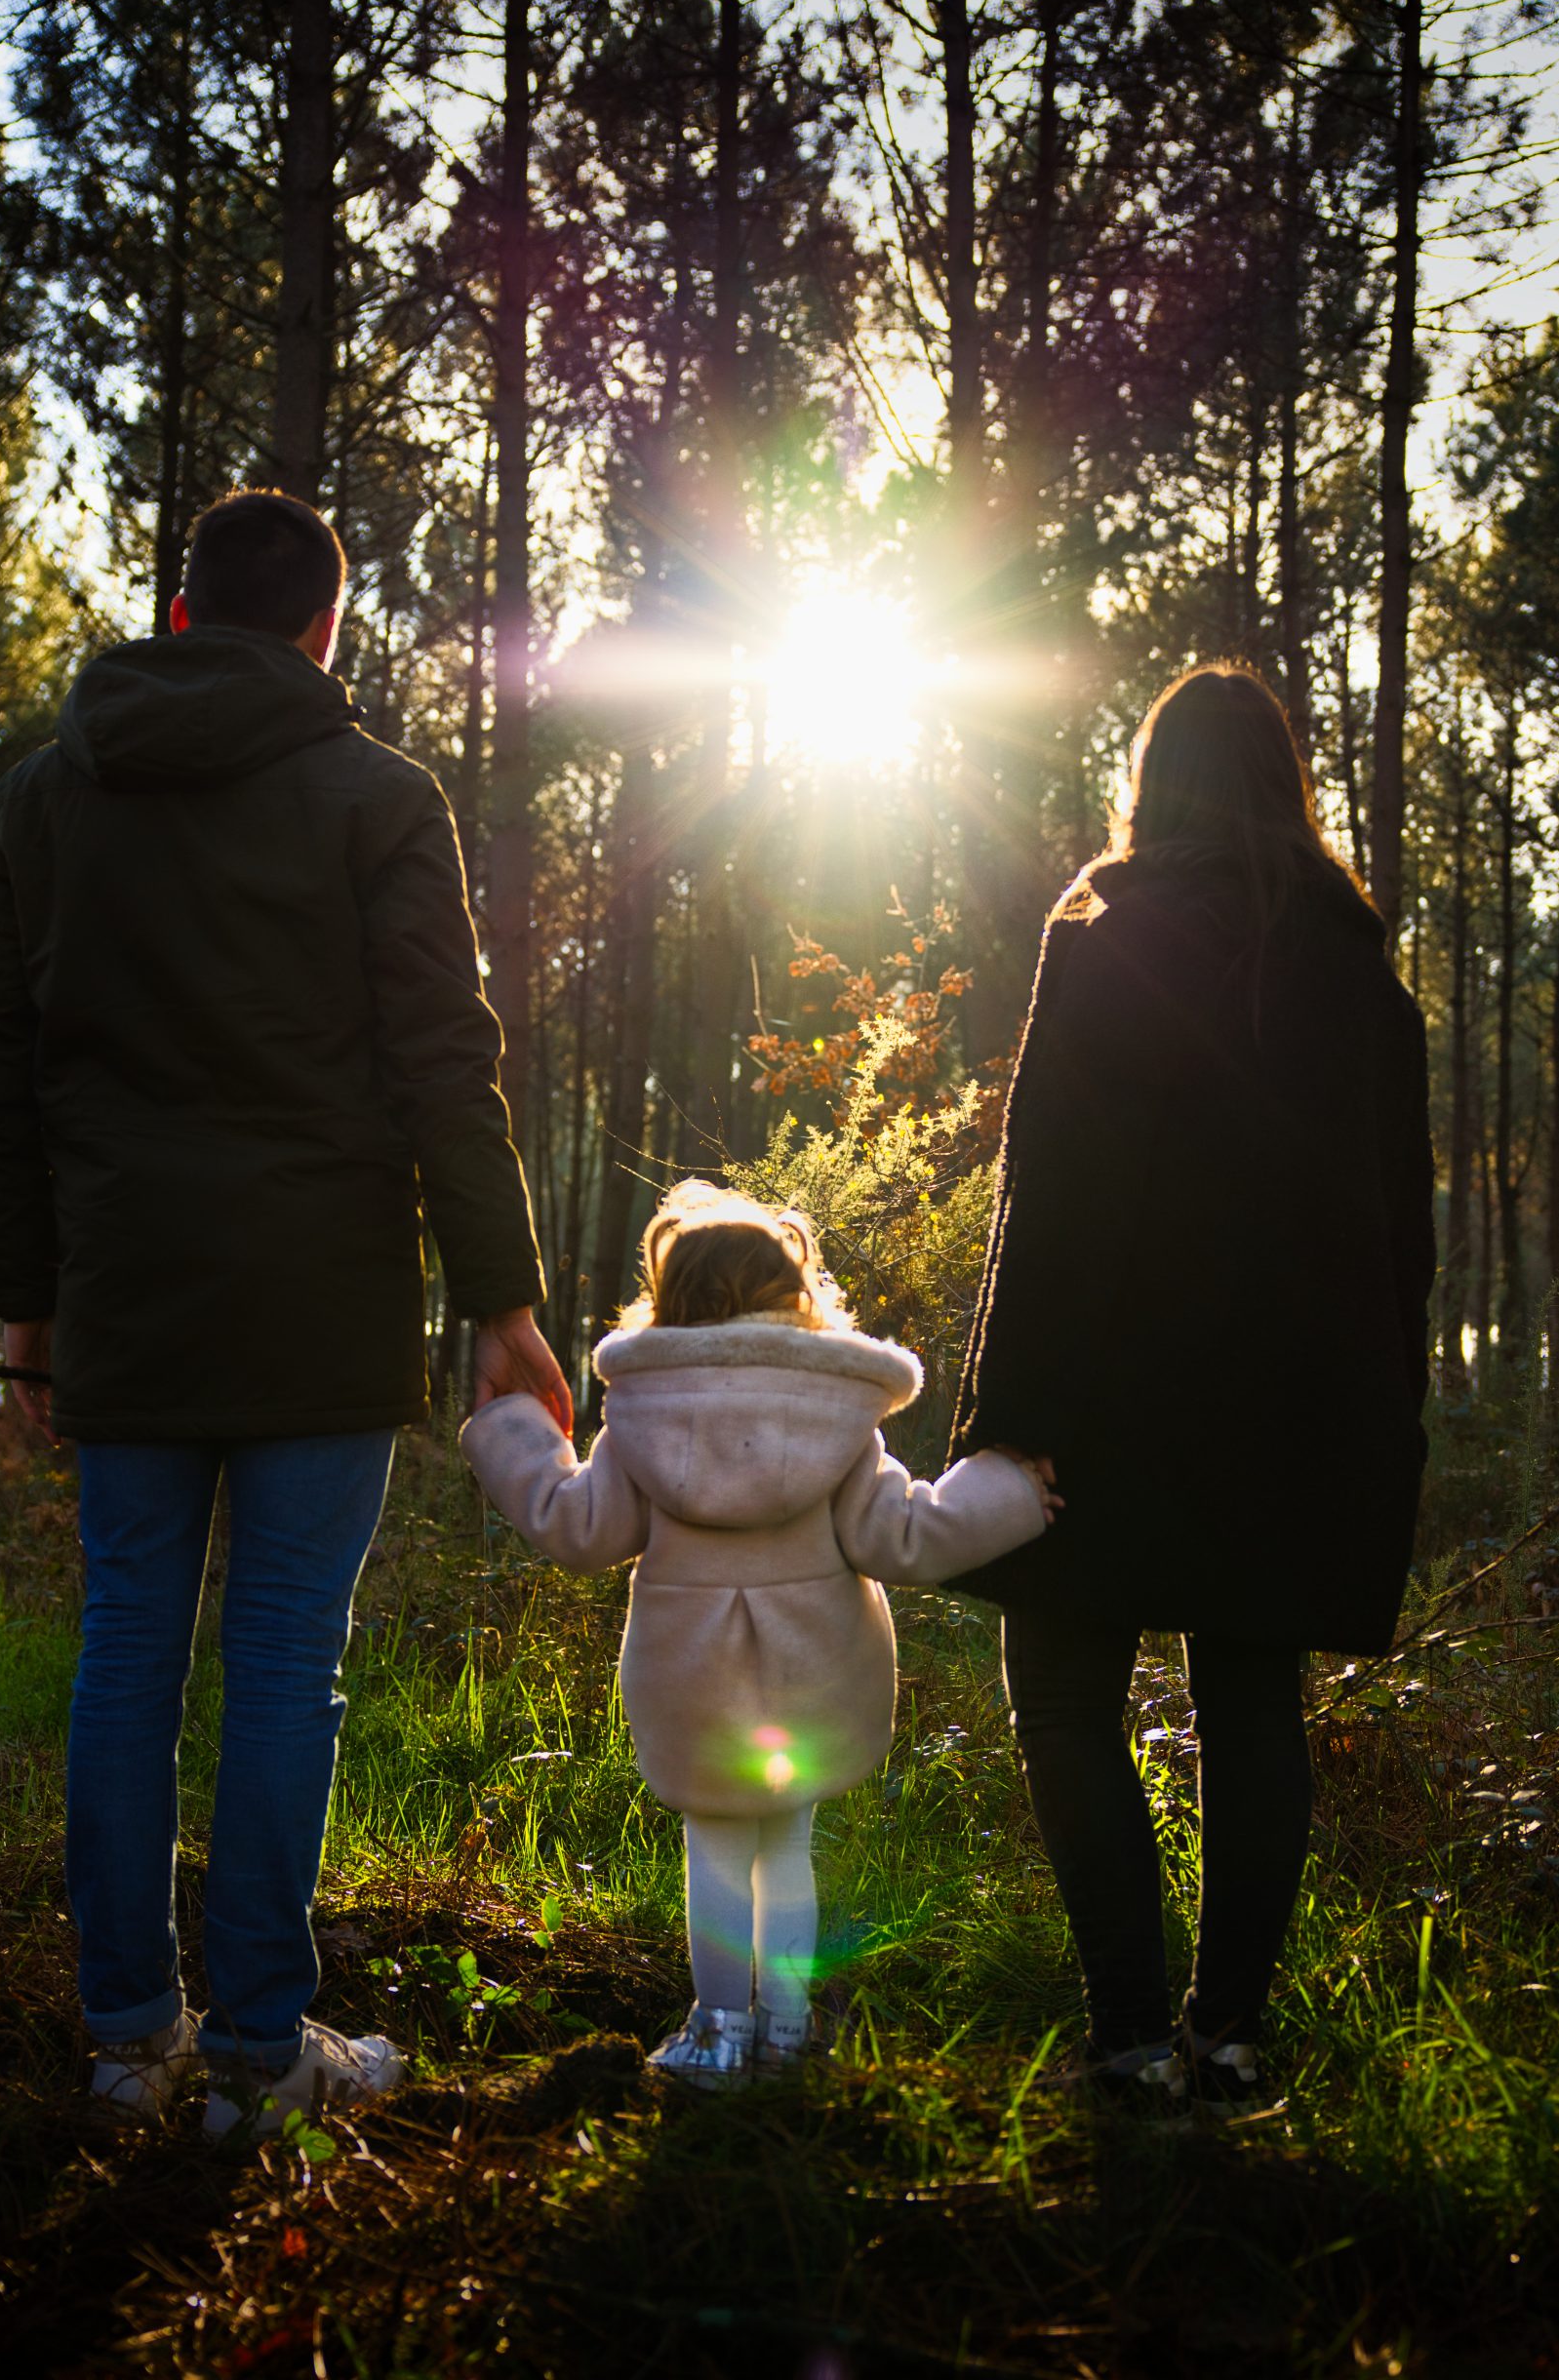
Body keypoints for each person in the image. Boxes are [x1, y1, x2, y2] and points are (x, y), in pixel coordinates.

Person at [0, 489, 570, 2139]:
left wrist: (25, 1322)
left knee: (123, 1659)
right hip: (320, 1301)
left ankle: (120, 2041)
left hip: (127, 1300)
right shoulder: (380, 796)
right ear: (327, 630)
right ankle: (254, 2050)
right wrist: (503, 1305)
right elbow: (443, 1063)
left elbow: (8, 1088)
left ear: (177, 617)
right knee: (283, 1662)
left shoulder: (41, 800)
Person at [951, 663, 1435, 2111]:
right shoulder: (1358, 968)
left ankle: (1127, 2035)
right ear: (1287, 788)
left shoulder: (1107, 937)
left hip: (1110, 1390)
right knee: (1251, 1701)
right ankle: (1225, 2041)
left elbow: (1053, 1196)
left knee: (1057, 1690)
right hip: (1294, 1403)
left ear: (1151, 786)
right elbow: (1401, 1226)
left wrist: (1008, 1420)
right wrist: (1378, 1419)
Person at [461, 1178, 1054, 2082]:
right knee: (787, 1849)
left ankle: (718, 2032)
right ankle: (785, 2030)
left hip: (690, 1678)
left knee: (716, 1851)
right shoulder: (836, 1419)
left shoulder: (642, 1417)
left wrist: (510, 1424)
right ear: (796, 1292)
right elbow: (905, 1536)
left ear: (670, 1298)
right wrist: (1009, 1487)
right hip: (812, 1671)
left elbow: (578, 1529)